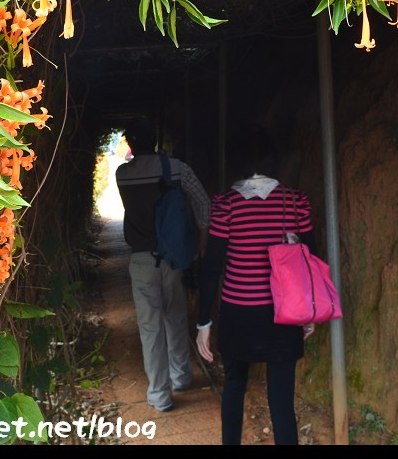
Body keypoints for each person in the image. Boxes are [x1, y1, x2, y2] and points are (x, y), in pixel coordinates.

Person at [196, 131, 316, 445]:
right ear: (271, 160)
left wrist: (204, 322)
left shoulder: (225, 205)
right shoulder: (295, 200)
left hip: (238, 316)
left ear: (237, 162)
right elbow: (309, 261)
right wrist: (309, 313)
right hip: (284, 313)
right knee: (282, 402)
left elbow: (212, 269)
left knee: (234, 388)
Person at [116, 117, 211, 412]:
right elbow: (203, 203)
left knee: (150, 328)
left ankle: (159, 394)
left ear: (131, 143)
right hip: (173, 257)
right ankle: (181, 376)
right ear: (156, 140)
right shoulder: (178, 169)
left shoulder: (122, 174)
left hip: (142, 260)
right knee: (175, 316)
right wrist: (202, 240)